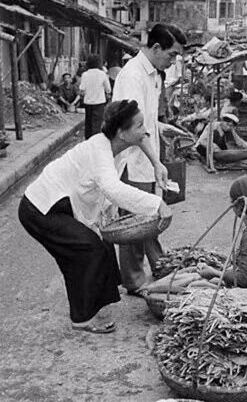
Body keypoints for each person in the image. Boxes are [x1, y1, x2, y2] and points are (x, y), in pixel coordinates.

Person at [18, 100, 173, 333]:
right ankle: (82, 318)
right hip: (40, 209)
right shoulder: (100, 151)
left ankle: (89, 306)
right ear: (121, 133)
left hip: (57, 205)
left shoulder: (112, 145)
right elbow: (114, 189)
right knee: (89, 251)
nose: (145, 131)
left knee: (92, 249)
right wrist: (156, 204)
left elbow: (102, 187)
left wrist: (156, 164)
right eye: (140, 126)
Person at [112, 23, 187, 294]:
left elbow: (146, 119)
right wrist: (157, 163)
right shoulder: (133, 76)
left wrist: (163, 128)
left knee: (148, 216)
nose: (173, 60)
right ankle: (134, 280)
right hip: (133, 159)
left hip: (146, 154)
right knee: (136, 221)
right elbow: (133, 128)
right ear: (156, 48)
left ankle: (160, 267)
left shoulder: (154, 74)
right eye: (172, 55)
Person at [78, 54, 111, 139]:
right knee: (97, 123)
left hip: (88, 102)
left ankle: (88, 140)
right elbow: (108, 89)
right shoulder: (102, 74)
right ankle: (95, 140)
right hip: (99, 102)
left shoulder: (85, 74)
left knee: (88, 123)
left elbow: (82, 89)